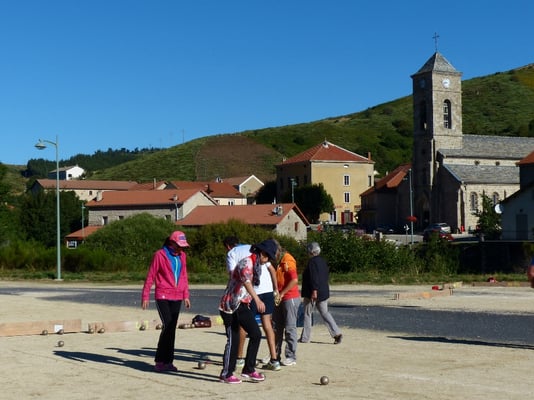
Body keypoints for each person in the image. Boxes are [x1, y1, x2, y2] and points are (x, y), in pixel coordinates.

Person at [218, 239, 278, 384]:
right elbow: (246, 281)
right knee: (233, 338)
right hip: (231, 305)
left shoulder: (256, 265)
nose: (267, 260)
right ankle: (226, 373)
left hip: (242, 305)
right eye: (268, 257)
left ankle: (248, 369)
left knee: (255, 334)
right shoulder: (246, 262)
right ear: (262, 254)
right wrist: (257, 300)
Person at [141, 230, 191, 372]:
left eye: (183, 246)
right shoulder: (160, 255)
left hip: (177, 296)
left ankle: (169, 361)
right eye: (179, 246)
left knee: (172, 328)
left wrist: (186, 295)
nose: (181, 249)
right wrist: (145, 295)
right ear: (172, 243)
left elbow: (183, 276)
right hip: (162, 295)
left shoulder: (182, 256)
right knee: (167, 325)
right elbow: (151, 275)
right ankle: (159, 360)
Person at [299, 241, 342, 345]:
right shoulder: (323, 261)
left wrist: (314, 290)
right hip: (323, 291)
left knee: (307, 314)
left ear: (311, 251)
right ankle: (336, 333)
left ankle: (305, 337)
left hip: (312, 292)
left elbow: (314, 277)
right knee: (325, 313)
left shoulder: (312, 262)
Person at [249, 240, 279, 371]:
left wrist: (276, 289)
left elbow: (273, 271)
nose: (267, 259)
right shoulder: (254, 258)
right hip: (263, 292)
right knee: (262, 325)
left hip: (260, 293)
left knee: (248, 325)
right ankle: (274, 359)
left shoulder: (262, 259)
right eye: (267, 256)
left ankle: (274, 359)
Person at [222, 236, 251, 368]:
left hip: (239, 295)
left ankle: (238, 358)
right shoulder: (250, 248)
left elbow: (233, 274)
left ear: (228, 246)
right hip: (255, 291)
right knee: (255, 332)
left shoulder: (232, 253)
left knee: (235, 329)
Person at [272, 240, 300, 367]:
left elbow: (294, 280)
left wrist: (282, 293)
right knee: (276, 327)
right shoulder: (277, 262)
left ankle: (290, 356)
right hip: (279, 297)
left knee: (290, 327)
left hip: (290, 297)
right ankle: (274, 354)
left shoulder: (288, 260)